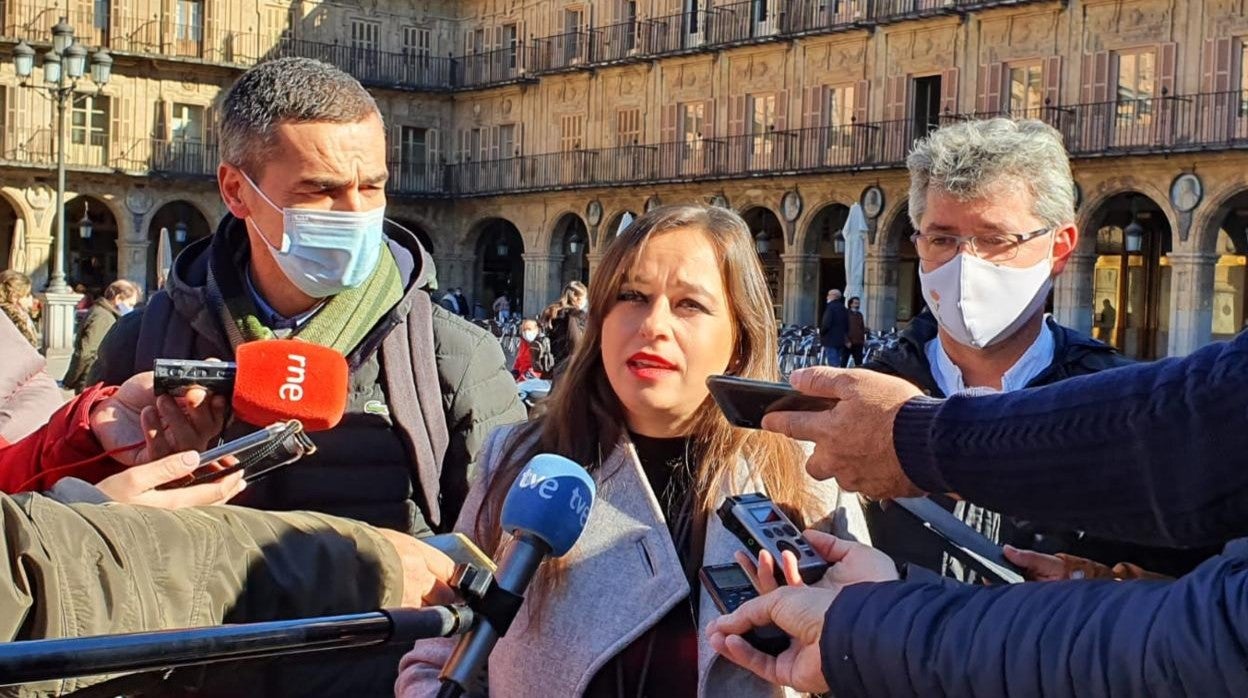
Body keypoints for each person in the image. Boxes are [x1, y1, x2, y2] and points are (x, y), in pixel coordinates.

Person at [396, 205, 869, 697]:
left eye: (689, 304)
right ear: (600, 318)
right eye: (631, 296)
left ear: (739, 336)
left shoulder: (812, 475)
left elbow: (871, 665)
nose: (653, 324)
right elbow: (438, 656)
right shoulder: (521, 461)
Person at [90, 58, 524, 542]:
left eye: (372, 186)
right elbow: (78, 546)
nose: (357, 212)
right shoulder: (139, 347)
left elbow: (499, 556)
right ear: (237, 191)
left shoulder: (455, 355)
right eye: (322, 190)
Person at [703, 323, 1248, 696]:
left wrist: (921, 441)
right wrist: (1118, 583)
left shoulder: (1101, 373)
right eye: (940, 238)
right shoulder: (885, 373)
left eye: (995, 240)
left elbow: (1202, 642)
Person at [857, 119, 1204, 580]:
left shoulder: (1117, 404)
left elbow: (1193, 585)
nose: (965, 264)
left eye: (995, 240)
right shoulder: (872, 396)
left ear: (1059, 248)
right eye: (942, 239)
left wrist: (1105, 585)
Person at [63, 279, 140, 393]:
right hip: (91, 382)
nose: (131, 309)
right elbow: (87, 353)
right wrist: (70, 380)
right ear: (118, 299)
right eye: (130, 304)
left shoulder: (105, 313)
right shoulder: (103, 317)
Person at [543, 279, 588, 373]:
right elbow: (574, 342)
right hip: (569, 366)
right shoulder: (574, 315)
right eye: (584, 298)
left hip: (551, 362)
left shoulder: (552, 311)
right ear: (577, 298)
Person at [0, 270, 39, 349]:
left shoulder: (21, 314)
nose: (31, 298)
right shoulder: (12, 318)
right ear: (14, 296)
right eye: (27, 295)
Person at [819, 289, 848, 367]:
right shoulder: (843, 308)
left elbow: (826, 324)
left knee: (832, 363)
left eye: (828, 295)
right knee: (838, 361)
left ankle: (834, 378)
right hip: (840, 340)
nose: (827, 297)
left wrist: (821, 333)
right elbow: (847, 324)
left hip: (830, 339)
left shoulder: (830, 307)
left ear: (833, 296)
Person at [843, 296, 866, 367]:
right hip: (848, 342)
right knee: (844, 361)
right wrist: (846, 341)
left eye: (858, 303)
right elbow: (842, 328)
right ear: (851, 304)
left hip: (858, 342)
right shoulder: (846, 314)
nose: (857, 305)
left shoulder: (860, 315)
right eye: (855, 303)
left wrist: (863, 340)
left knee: (859, 363)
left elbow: (861, 327)